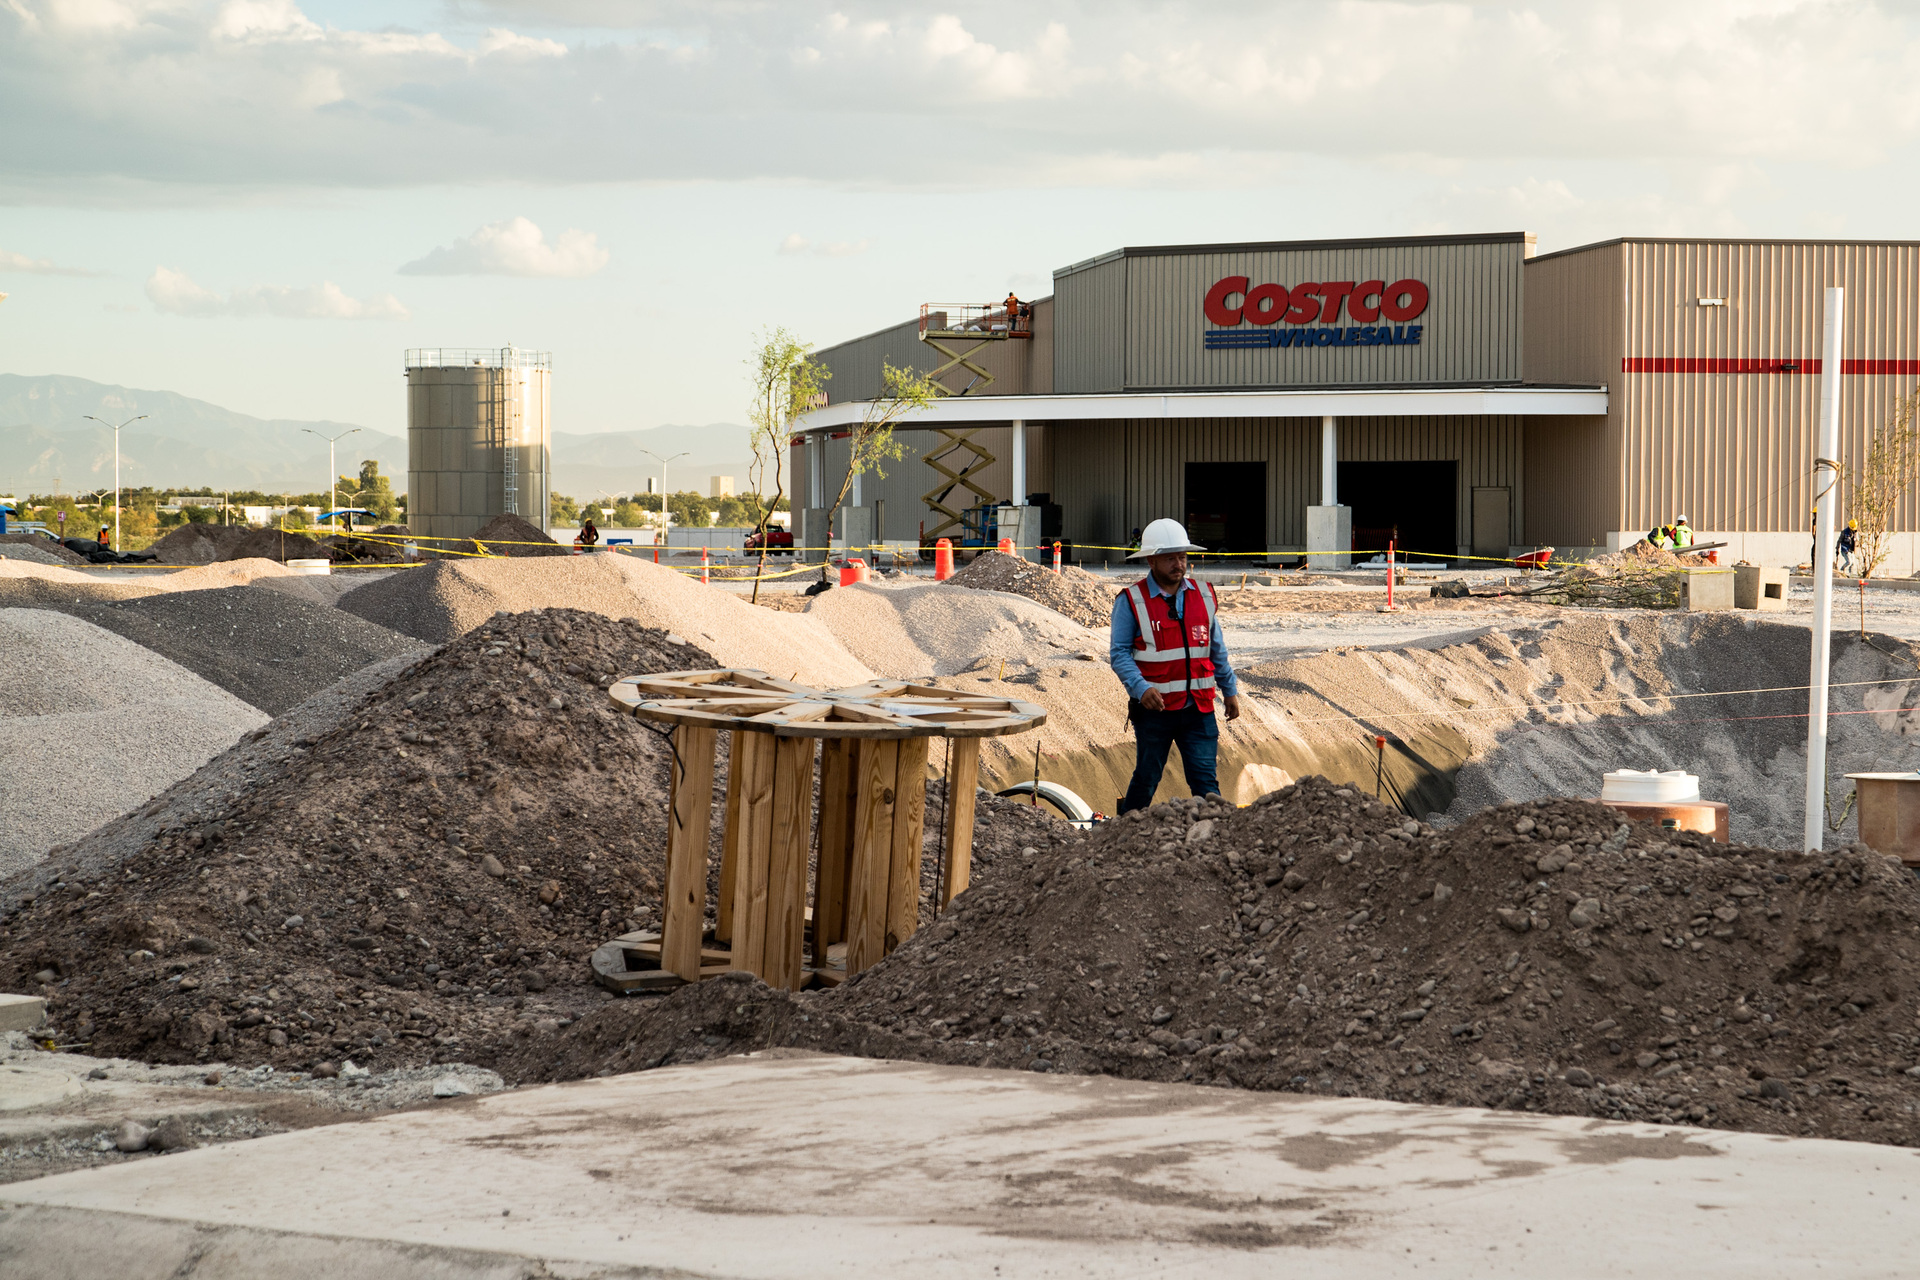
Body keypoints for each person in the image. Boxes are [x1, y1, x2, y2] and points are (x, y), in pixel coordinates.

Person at [1111, 518, 1242, 813]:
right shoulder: (1131, 600)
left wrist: (1229, 690)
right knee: (1146, 778)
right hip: (1154, 711)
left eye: (1182, 557)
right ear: (1152, 560)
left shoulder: (1204, 595)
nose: (1178, 564)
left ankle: (1213, 838)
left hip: (1199, 708)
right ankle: (1124, 834)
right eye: (1170, 558)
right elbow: (1119, 654)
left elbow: (1215, 649)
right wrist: (1141, 688)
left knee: (1206, 784)